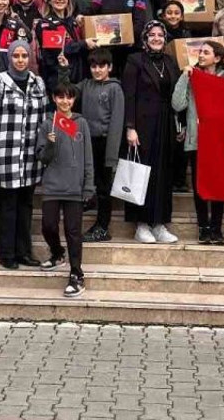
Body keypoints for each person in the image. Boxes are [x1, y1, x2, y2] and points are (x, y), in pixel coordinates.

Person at [0, 40, 46, 269]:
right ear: (10, 57)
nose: (21, 60)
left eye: (24, 56)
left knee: (25, 207)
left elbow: (43, 119)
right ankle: (7, 254)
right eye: (16, 56)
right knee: (7, 207)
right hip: (5, 155)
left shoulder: (38, 83)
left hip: (30, 157)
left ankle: (24, 251)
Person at [57, 47, 125, 243]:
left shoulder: (115, 88)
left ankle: (103, 227)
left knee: (104, 187)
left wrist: (111, 155)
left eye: (101, 66)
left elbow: (117, 122)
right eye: (94, 66)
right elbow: (65, 91)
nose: (97, 70)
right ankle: (91, 203)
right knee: (89, 179)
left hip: (106, 142)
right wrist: (64, 69)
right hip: (87, 141)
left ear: (109, 67)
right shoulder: (86, 85)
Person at [122, 21, 181, 244]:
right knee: (142, 173)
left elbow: (177, 95)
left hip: (166, 123)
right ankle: (142, 224)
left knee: (163, 174)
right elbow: (129, 94)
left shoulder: (170, 61)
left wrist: (179, 125)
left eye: (160, 35)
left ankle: (159, 223)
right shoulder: (135, 60)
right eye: (152, 35)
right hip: (142, 124)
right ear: (145, 38)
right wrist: (130, 126)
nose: (156, 38)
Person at [36, 83, 94, 298]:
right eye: (60, 97)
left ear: (74, 100)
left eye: (69, 97)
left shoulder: (82, 123)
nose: (65, 101)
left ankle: (76, 273)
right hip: (52, 185)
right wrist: (50, 144)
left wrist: (89, 186)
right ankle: (57, 253)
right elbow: (42, 157)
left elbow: (88, 157)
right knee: (48, 226)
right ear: (53, 98)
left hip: (75, 187)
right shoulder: (47, 124)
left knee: (73, 232)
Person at [171, 40, 224, 245]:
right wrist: (184, 78)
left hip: (221, 141)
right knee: (199, 186)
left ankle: (217, 228)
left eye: (206, 52)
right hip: (197, 141)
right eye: (200, 52)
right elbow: (177, 104)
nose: (201, 55)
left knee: (219, 186)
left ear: (218, 58)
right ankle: (203, 228)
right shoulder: (192, 76)